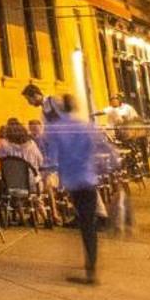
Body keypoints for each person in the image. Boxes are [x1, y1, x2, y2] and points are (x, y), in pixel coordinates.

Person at [44, 93, 117, 284]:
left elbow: (51, 158)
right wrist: (108, 166)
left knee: (85, 224)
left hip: (72, 182)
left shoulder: (55, 129)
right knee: (88, 225)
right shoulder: (85, 126)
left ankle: (90, 271)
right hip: (88, 179)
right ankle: (90, 264)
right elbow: (107, 149)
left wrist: (50, 171)